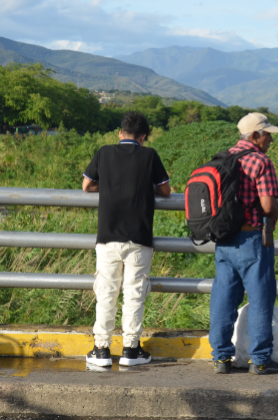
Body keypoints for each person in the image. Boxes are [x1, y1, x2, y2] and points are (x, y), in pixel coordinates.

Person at [82, 111, 171, 367]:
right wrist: (142, 185)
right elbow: (165, 190)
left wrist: (109, 184)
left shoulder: (104, 152)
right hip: (139, 238)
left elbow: (87, 185)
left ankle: (101, 351)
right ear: (143, 137)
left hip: (107, 237)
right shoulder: (149, 155)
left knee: (106, 293)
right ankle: (131, 351)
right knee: (134, 294)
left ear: (120, 134)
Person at [209, 112, 278, 375]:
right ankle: (260, 359)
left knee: (223, 298)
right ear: (255, 136)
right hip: (252, 238)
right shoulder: (260, 161)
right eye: (268, 135)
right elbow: (267, 205)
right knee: (261, 298)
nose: (270, 140)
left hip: (224, 240)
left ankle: (220, 358)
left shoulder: (223, 158)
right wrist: (274, 206)